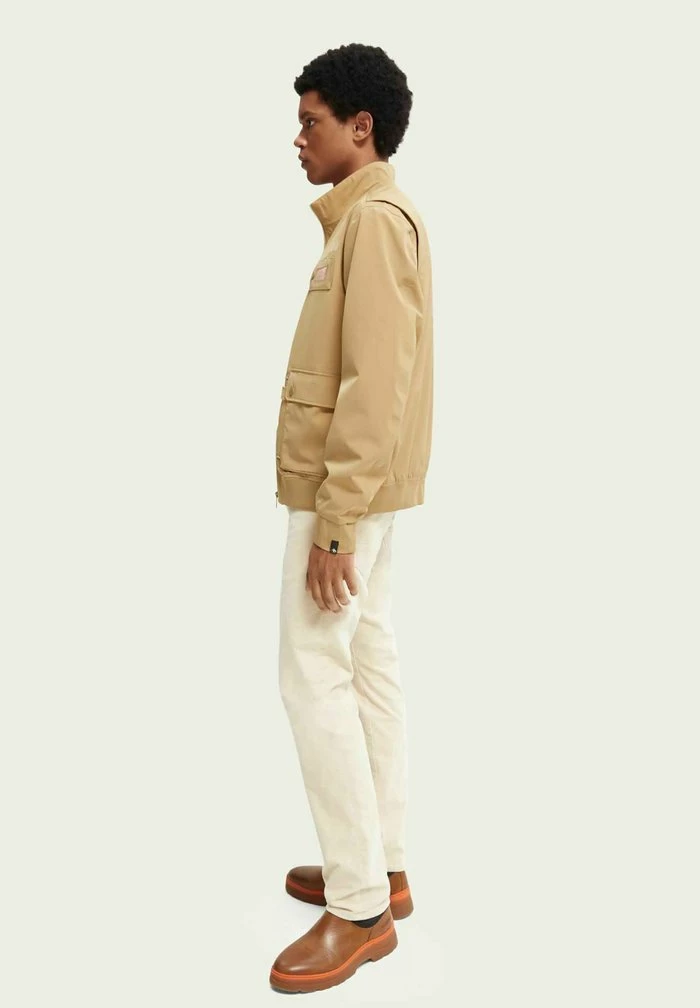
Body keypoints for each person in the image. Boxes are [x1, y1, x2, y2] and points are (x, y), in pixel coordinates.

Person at [269, 42, 434, 995]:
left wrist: (333, 521)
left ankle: (361, 903)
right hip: (356, 489)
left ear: (359, 127)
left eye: (311, 122)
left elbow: (378, 384)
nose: (297, 139)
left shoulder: (372, 223)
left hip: (343, 493)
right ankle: (386, 864)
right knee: (366, 658)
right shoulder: (365, 221)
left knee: (312, 674)